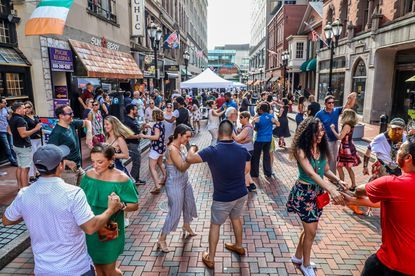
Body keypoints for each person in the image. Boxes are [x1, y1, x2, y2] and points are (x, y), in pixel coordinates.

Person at [2, 144, 123, 275]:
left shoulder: (24, 194)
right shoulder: (73, 193)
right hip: (76, 269)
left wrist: (31, 213)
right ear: (61, 165)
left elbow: (7, 220)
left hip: (43, 270)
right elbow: (90, 227)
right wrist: (111, 210)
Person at [343, 141, 415, 276]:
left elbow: (359, 190)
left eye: (399, 150)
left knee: (371, 265)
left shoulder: (391, 183)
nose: (396, 152)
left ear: (407, 158)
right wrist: (353, 201)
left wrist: (354, 195)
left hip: (393, 264)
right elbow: (393, 204)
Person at [186, 120, 251, 269]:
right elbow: (246, 170)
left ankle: (211, 257)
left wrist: (193, 148)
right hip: (241, 193)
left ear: (219, 133)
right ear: (231, 132)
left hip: (223, 197)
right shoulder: (242, 150)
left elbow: (189, 158)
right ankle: (239, 246)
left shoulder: (212, 150)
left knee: (215, 225)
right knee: (236, 219)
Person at [286, 117, 347, 276]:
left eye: (321, 130)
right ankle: (306, 265)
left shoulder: (322, 148)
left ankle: (298, 257)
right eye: (317, 130)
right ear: (308, 132)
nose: (321, 133)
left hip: (317, 194)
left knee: (309, 229)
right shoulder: (301, 149)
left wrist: (338, 180)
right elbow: (312, 174)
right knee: (311, 231)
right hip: (304, 195)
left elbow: (325, 170)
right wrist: (332, 190)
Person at [81, 144, 139, 276]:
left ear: (111, 160)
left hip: (109, 228)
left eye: (100, 162)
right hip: (90, 228)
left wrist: (120, 206)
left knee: (109, 269)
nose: (95, 165)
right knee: (98, 268)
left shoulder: (122, 178)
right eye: (93, 161)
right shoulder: (88, 175)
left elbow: (135, 205)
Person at [157, 124, 197, 253]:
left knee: (189, 204)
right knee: (174, 212)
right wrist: (191, 156)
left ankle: (186, 225)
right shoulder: (172, 149)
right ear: (179, 135)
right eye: (187, 136)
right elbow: (181, 166)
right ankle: (162, 239)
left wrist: (190, 151)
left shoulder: (181, 145)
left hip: (184, 181)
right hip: (174, 184)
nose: (188, 139)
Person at [48, 105, 93, 186]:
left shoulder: (71, 123)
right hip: (67, 172)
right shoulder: (56, 133)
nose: (72, 115)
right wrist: (66, 162)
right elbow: (50, 154)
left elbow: (88, 122)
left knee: (83, 190)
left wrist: (89, 133)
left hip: (78, 168)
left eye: (72, 112)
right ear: (61, 116)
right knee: (71, 197)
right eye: (70, 113)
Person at [330, 109, 362, 214]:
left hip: (345, 147)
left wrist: (333, 129)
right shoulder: (351, 125)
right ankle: (353, 185)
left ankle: (343, 185)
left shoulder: (346, 125)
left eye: (344, 114)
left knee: (340, 166)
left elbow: (340, 137)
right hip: (348, 146)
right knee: (348, 167)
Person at [315, 92, 357, 173]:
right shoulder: (319, 114)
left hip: (334, 140)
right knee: (323, 157)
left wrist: (350, 99)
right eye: (329, 102)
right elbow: (314, 124)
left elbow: (348, 107)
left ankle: (332, 176)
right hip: (324, 139)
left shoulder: (336, 111)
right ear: (325, 103)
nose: (331, 104)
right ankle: (319, 174)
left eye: (333, 102)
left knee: (333, 159)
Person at [10, 102, 42, 189]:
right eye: (23, 108)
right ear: (18, 109)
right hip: (23, 146)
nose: (25, 110)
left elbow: (9, 130)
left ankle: (20, 187)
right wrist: (36, 129)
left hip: (17, 145)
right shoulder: (20, 120)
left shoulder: (12, 118)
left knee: (20, 167)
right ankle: (24, 189)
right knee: (25, 168)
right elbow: (23, 134)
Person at [139, 108, 166, 194]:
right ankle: (165, 177)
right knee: (160, 163)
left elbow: (156, 137)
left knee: (152, 167)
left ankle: (157, 186)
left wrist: (144, 136)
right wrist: (150, 127)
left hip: (155, 148)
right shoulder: (161, 124)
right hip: (161, 147)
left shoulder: (156, 125)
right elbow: (158, 132)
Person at [251, 102, 279, 178]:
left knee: (256, 156)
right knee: (266, 156)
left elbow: (254, 127)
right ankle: (267, 173)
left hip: (260, 139)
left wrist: (254, 124)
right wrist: (272, 125)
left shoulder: (258, 118)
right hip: (268, 139)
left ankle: (255, 173)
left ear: (261, 110)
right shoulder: (270, 117)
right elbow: (278, 124)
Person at [233, 111, 256, 192]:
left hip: (246, 150)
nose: (239, 119)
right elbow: (247, 138)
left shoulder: (246, 128)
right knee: (246, 168)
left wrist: (232, 133)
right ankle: (251, 184)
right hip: (249, 149)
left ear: (246, 118)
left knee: (245, 169)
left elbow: (237, 138)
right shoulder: (248, 126)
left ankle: (246, 185)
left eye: (241, 117)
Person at [124, 104, 146, 185]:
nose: (137, 111)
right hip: (132, 144)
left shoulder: (134, 119)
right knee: (136, 162)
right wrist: (138, 136)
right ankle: (132, 181)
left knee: (137, 162)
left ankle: (136, 179)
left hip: (136, 143)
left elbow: (137, 130)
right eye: (135, 110)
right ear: (131, 110)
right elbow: (126, 135)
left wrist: (142, 127)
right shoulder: (127, 121)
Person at [24, 101, 42, 181]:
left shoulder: (35, 116)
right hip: (31, 139)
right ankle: (31, 175)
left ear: (32, 108)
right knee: (32, 157)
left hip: (39, 139)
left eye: (28, 107)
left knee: (39, 156)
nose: (27, 109)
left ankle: (37, 172)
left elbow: (40, 126)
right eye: (25, 107)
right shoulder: (24, 118)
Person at [0, 97, 17, 166]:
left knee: (12, 146)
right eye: (4, 103)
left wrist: (10, 114)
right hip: (1, 131)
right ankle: (12, 161)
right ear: (0, 103)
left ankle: (15, 159)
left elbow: (8, 119)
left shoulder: (5, 109)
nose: (6, 104)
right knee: (7, 147)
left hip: (8, 129)